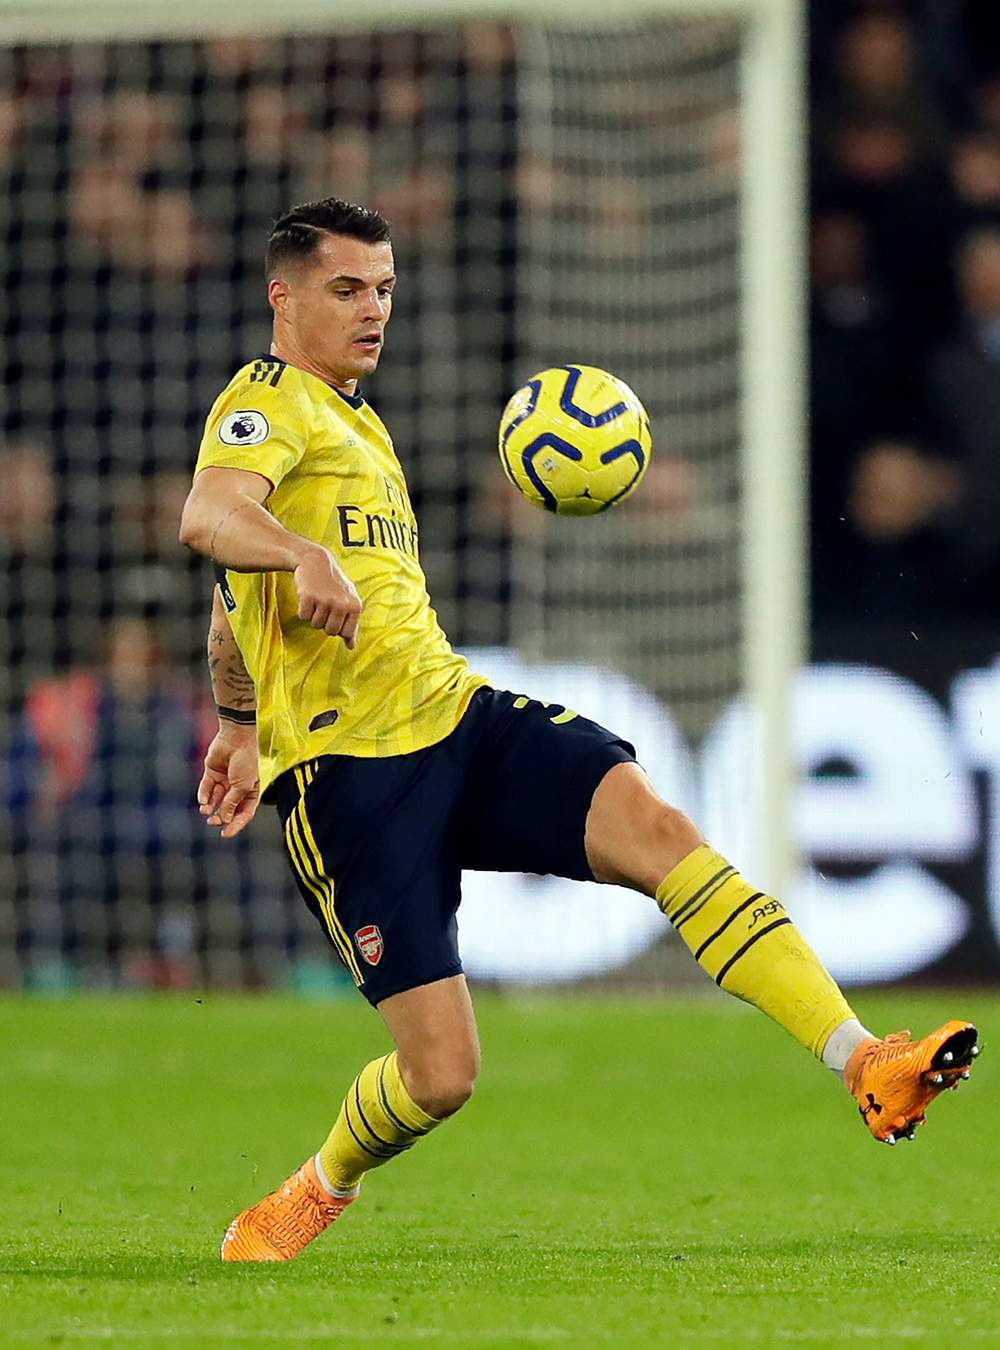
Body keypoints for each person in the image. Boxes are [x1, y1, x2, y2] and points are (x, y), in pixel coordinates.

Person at [178, 198, 979, 1264]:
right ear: (283, 297)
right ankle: (318, 1186)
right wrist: (300, 565)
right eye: (345, 290)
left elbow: (234, 597)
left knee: (656, 828)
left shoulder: (360, 421)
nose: (372, 311)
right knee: (440, 1078)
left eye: (384, 290)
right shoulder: (265, 399)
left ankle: (866, 1061)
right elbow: (211, 520)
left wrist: (236, 712)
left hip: (454, 714)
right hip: (349, 778)